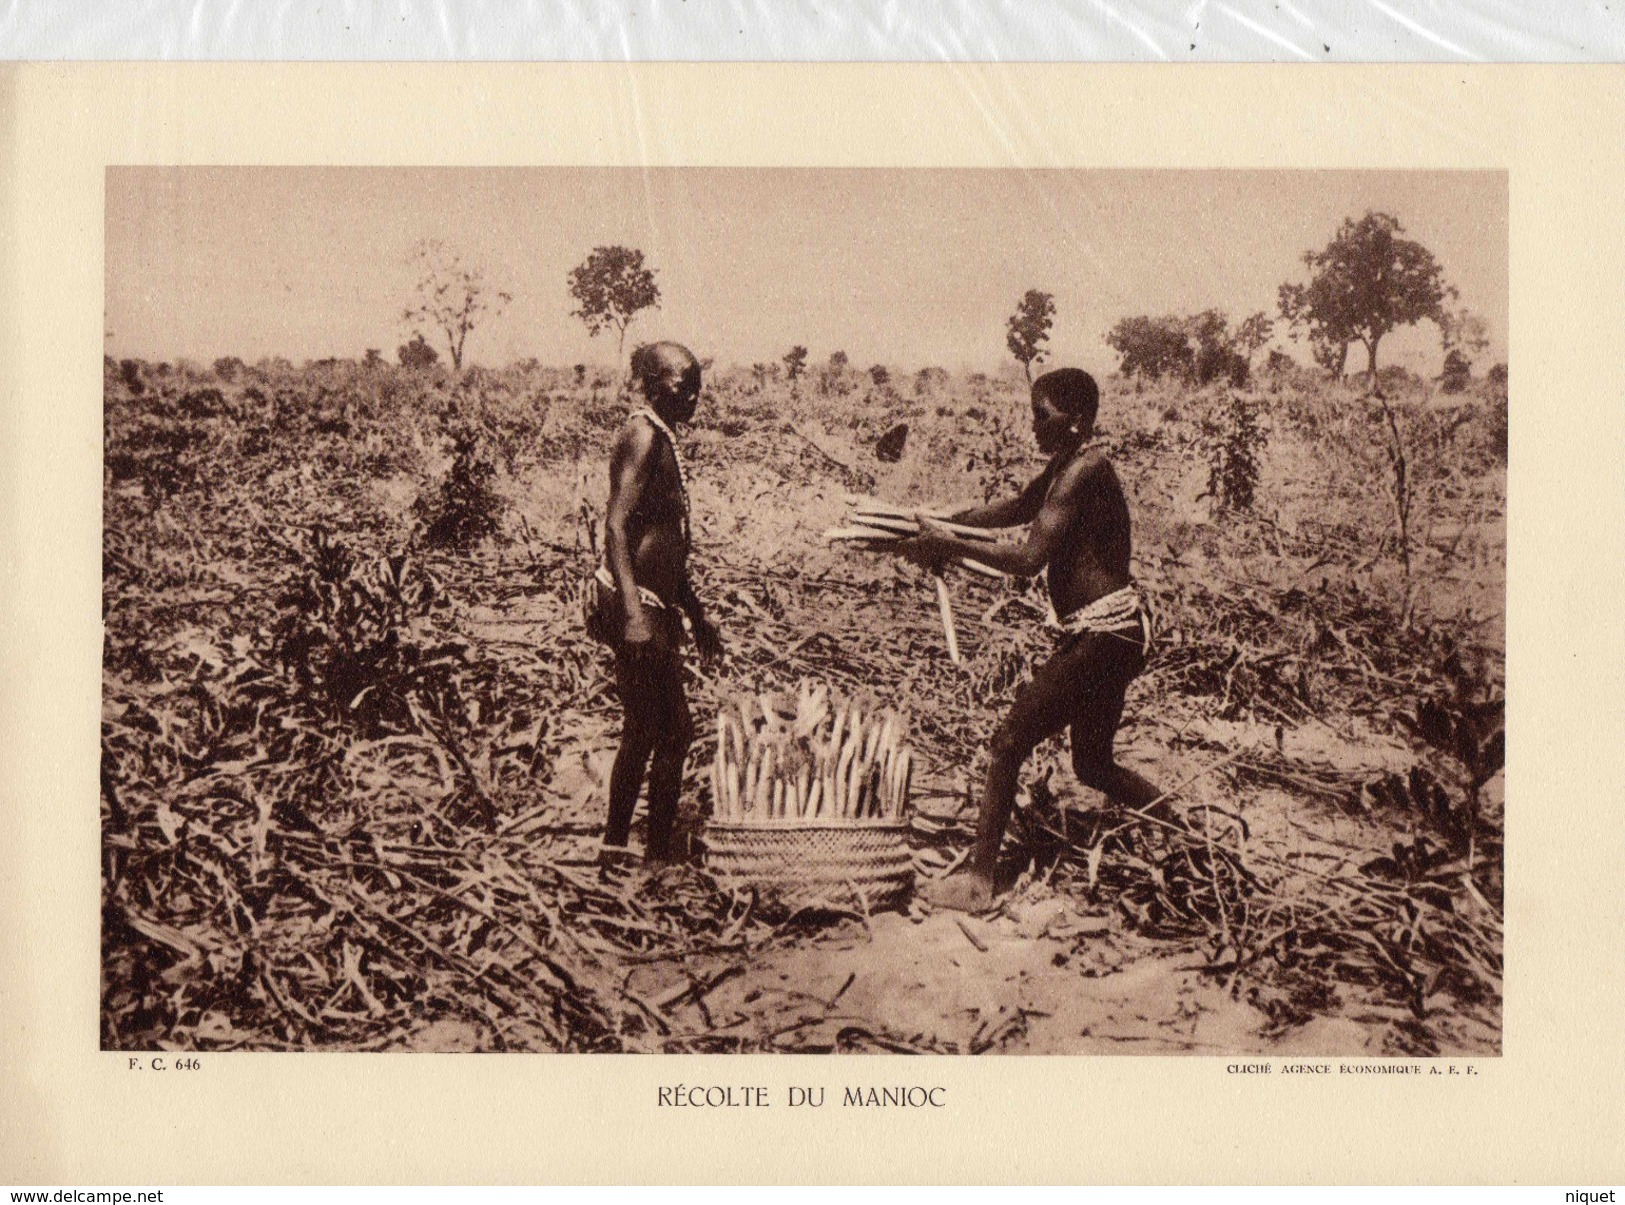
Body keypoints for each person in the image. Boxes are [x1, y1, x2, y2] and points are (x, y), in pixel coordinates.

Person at [889, 368, 1164, 912]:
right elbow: (1017, 508)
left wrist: (948, 545)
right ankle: (1178, 825)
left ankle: (978, 882)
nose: (1033, 425)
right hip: (1113, 634)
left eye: (1044, 415)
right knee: (1093, 765)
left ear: (1076, 421)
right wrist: (947, 521)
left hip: (1104, 635)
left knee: (1009, 741)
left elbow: (1027, 558)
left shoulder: (1087, 470)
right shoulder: (1068, 464)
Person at [584, 342, 723, 869]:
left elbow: (664, 541)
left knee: (648, 727)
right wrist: (635, 615)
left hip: (653, 599)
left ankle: (621, 847)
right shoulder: (642, 434)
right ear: (650, 381)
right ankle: (652, 854)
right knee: (670, 729)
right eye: (680, 383)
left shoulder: (659, 437)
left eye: (696, 385)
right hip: (635, 601)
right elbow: (617, 527)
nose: (691, 395)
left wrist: (697, 612)